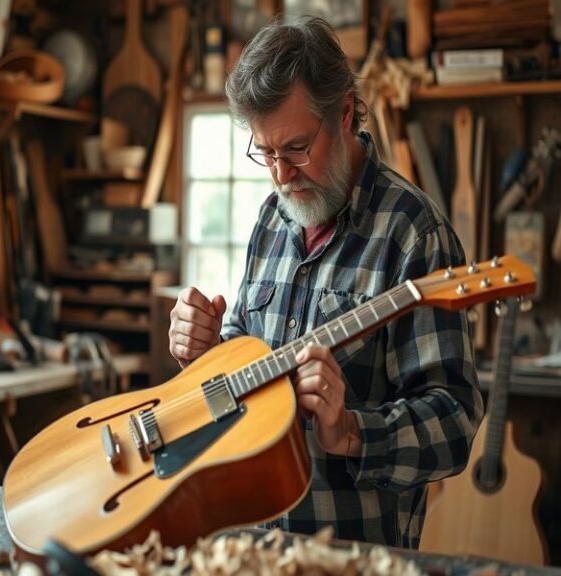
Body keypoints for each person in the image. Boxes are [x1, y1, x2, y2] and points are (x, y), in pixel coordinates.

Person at [168, 17, 483, 549]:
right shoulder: (271, 219)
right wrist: (204, 353)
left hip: (350, 556)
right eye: (265, 153)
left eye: (295, 148)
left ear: (344, 113)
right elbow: (246, 364)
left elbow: (455, 424)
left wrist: (353, 432)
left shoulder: (413, 233)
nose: (280, 174)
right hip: (251, 544)